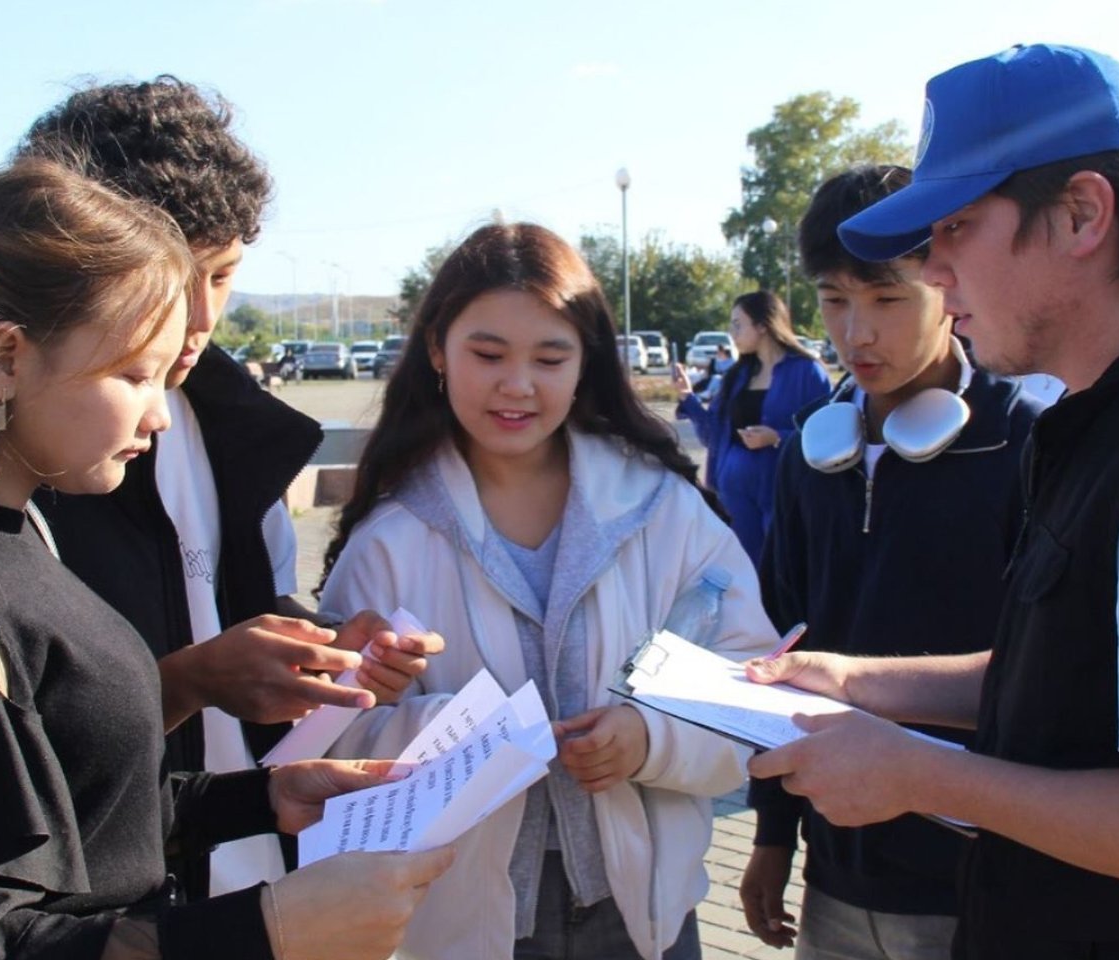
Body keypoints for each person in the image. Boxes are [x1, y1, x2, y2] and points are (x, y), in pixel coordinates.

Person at [747, 44, 1119, 959]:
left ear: (1083, 214)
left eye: (958, 227)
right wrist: (858, 683)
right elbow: (1074, 686)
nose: (933, 271)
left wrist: (918, 772)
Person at [0, 159, 453, 960]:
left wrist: (267, 798)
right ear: (7, 358)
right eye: (133, 374)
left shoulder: (22, 539)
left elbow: (78, 819)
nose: (161, 414)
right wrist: (266, 931)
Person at [16, 77, 442, 898]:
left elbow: (232, 617)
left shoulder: (235, 430)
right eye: (171, 278)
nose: (198, 318)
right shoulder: (5, 465)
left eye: (220, 276)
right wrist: (188, 680)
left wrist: (319, 655)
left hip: (238, 874)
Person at [316, 222, 779, 960]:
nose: (518, 385)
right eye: (488, 354)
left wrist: (649, 741)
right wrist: (453, 734)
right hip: (463, 926)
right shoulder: (388, 542)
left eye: (550, 357)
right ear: (437, 350)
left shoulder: (663, 512)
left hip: (646, 924)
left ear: (584, 363)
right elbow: (331, 750)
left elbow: (753, 689)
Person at [740, 166, 1045, 959]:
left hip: (987, 879)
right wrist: (774, 834)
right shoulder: (812, 447)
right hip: (836, 875)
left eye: (886, 299)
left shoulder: (1029, 442)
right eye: (834, 301)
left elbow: (1051, 671)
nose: (856, 333)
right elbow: (781, 645)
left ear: (947, 285)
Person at [674, 292, 831, 561]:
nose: (731, 333)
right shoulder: (737, 376)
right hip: (734, 490)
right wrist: (687, 398)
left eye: (737, 324)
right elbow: (713, 434)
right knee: (744, 570)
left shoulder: (807, 372)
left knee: (784, 566)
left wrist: (777, 437)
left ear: (763, 325)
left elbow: (828, 436)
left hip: (783, 490)